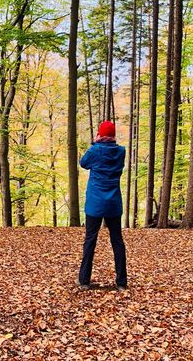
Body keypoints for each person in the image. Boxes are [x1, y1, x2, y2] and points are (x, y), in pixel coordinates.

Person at [78, 120, 127, 291]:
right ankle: (121, 282)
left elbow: (83, 163)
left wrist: (95, 142)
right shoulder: (121, 152)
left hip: (95, 203)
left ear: (100, 134)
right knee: (117, 241)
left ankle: (84, 280)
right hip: (113, 202)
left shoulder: (94, 150)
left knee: (90, 240)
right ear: (113, 135)